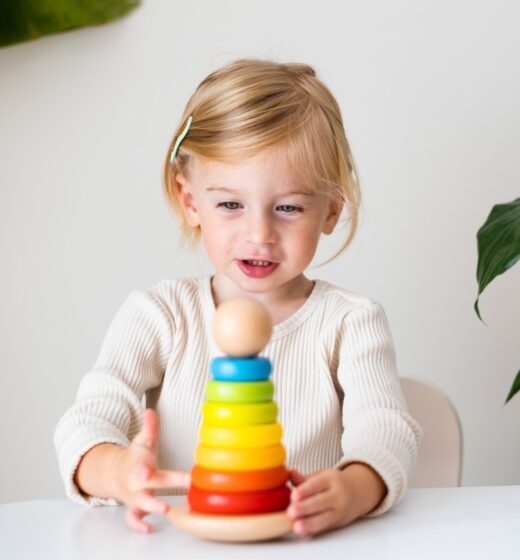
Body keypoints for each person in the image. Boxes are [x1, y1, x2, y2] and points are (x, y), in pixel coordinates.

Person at [53, 59, 422, 538]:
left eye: (289, 207)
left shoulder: (350, 323)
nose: (260, 234)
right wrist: (119, 472)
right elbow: (84, 425)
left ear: (331, 210)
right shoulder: (160, 316)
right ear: (190, 201)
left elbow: (387, 429)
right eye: (230, 204)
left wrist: (353, 489)